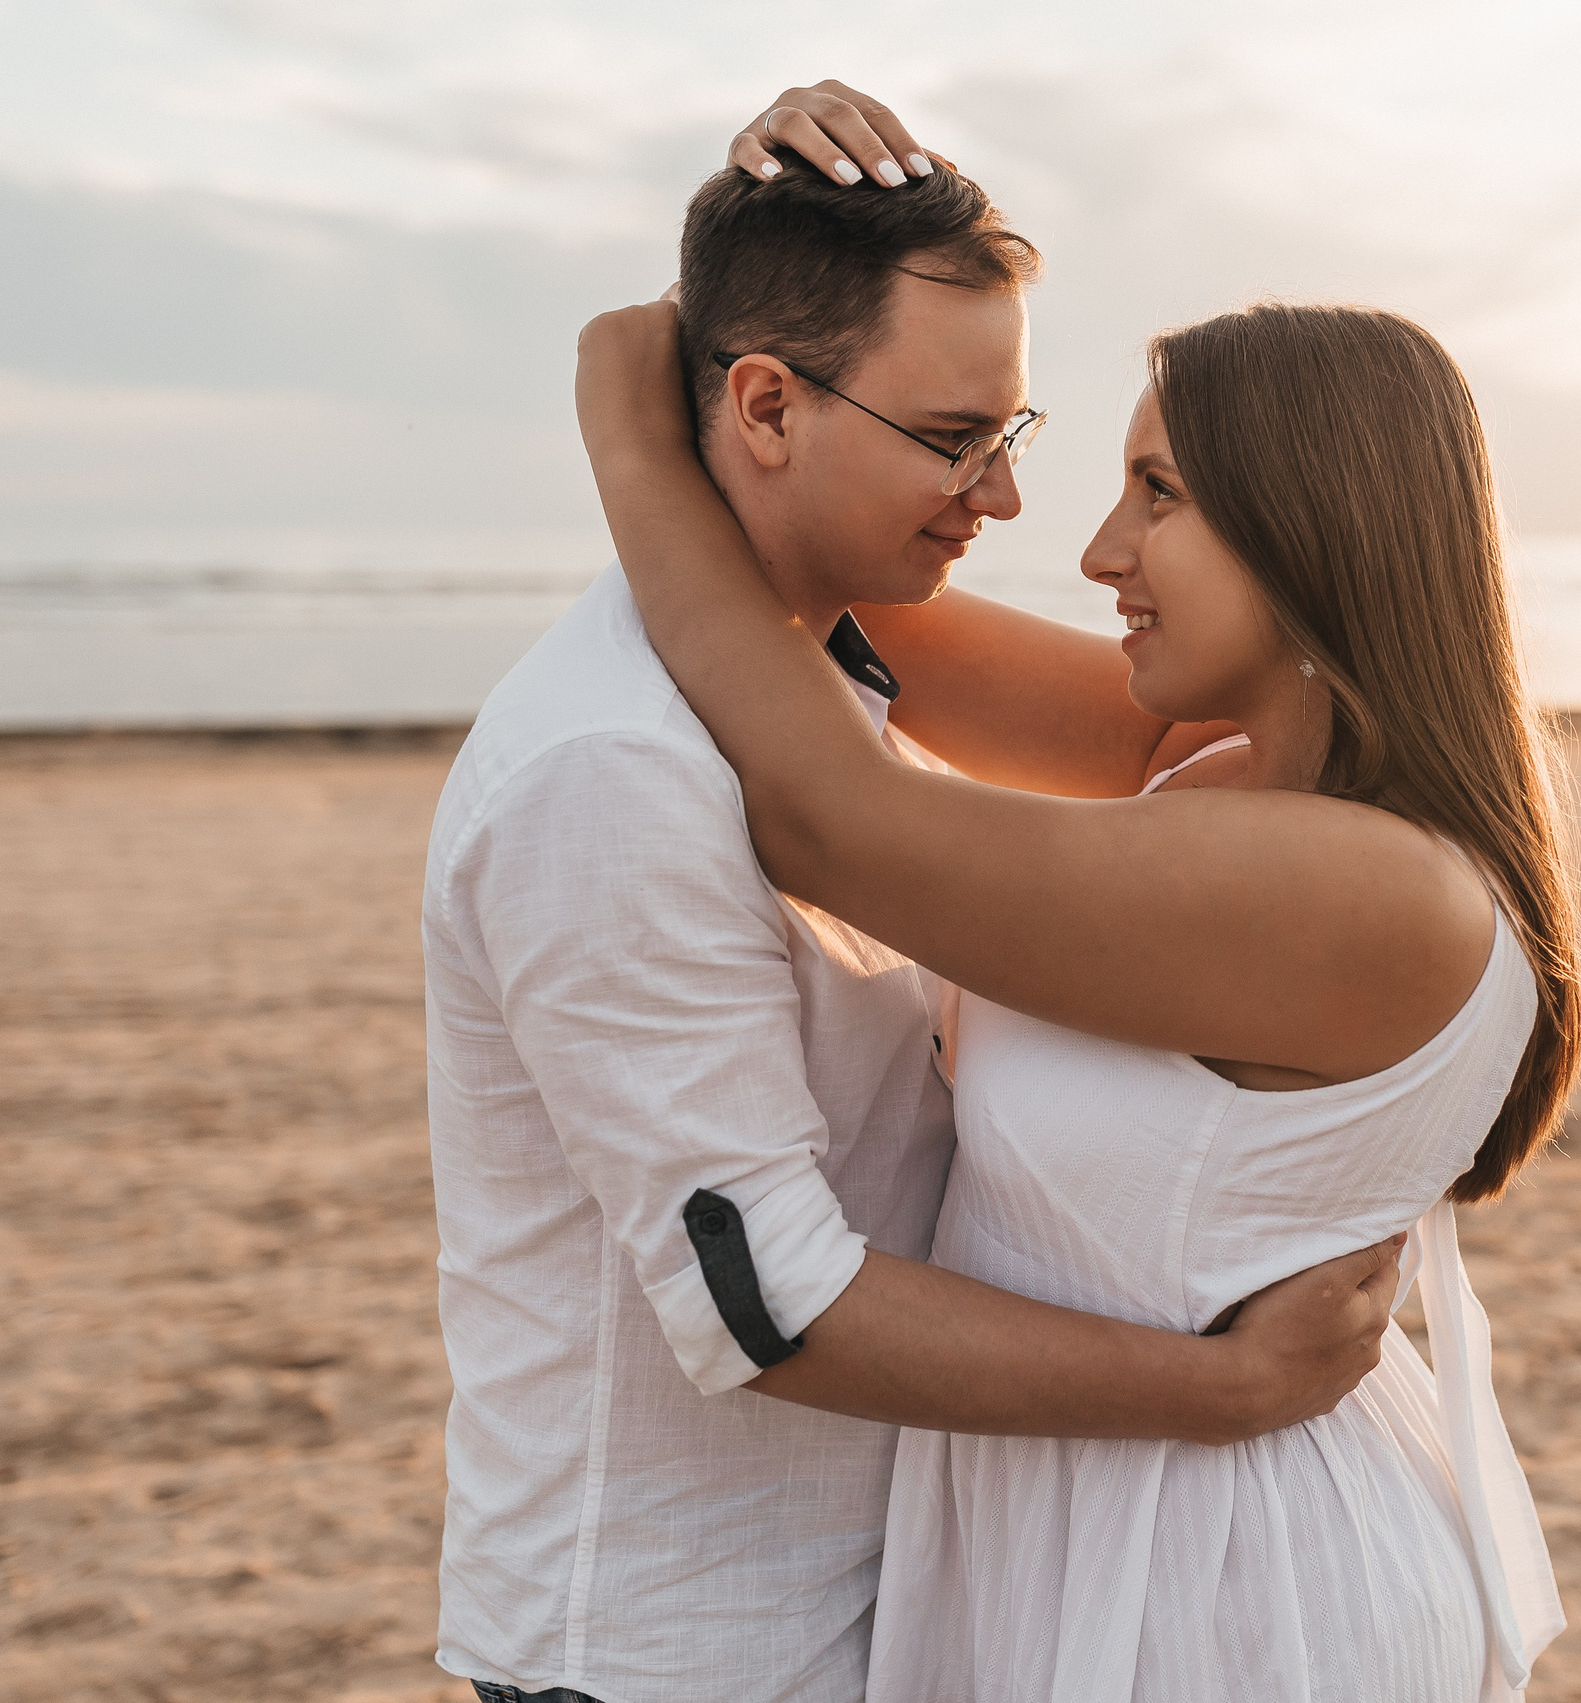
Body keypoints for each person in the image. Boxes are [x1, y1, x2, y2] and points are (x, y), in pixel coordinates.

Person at [423, 85, 1404, 1703]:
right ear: (760, 407)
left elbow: (1186, 711)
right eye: (954, 442)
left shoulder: (839, 672)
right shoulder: (610, 773)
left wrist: (654, 366)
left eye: (1005, 433)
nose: (1004, 501)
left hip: (880, 1615)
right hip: (680, 1655)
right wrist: (1219, 1389)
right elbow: (767, 1303)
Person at [572, 191, 1581, 1698]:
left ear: (1315, 528)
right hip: (1108, 1537)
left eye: (1159, 494)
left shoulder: (1366, 889)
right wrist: (766, 302)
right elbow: (827, 590)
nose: (1100, 548)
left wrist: (622, 395)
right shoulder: (1223, 763)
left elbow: (834, 816)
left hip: (1224, 1593)